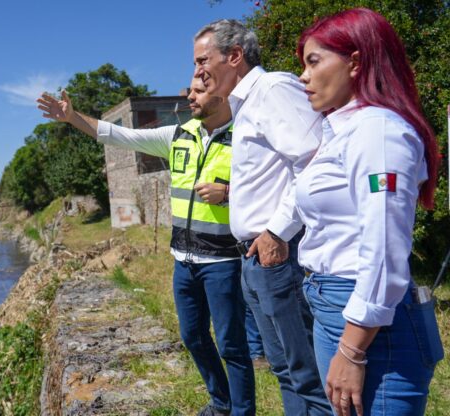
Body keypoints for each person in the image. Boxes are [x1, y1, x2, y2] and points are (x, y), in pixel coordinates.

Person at [37, 76, 255, 416]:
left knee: (232, 346)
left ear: (223, 94)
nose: (189, 97)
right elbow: (121, 135)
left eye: (198, 91)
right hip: (183, 261)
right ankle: (221, 403)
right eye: (190, 90)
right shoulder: (178, 135)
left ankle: (242, 412)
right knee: (193, 337)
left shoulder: (245, 138)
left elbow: (274, 188)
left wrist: (229, 193)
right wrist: (73, 118)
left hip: (222, 261)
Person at [295, 8, 441, 415]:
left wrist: (353, 350)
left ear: (355, 62)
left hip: (370, 326)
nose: (302, 76)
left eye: (313, 61)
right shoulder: (345, 130)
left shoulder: (377, 133)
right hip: (337, 305)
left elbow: (383, 252)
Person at [193, 19, 332, 415]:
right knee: (286, 370)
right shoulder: (246, 104)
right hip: (256, 256)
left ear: (235, 56)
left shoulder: (271, 89)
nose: (198, 71)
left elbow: (315, 159)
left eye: (204, 60)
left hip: (277, 253)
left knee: (307, 373)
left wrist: (277, 230)